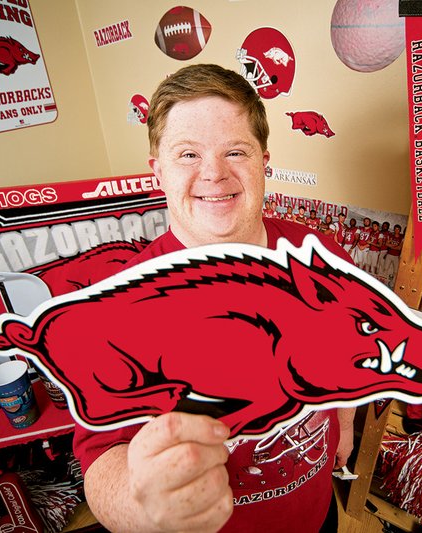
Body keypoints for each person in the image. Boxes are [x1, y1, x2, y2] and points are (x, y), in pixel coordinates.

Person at [73, 64, 356, 533]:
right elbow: (103, 458)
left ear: (264, 160)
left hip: (316, 513)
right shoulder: (115, 305)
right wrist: (142, 509)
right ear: (157, 170)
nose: (214, 173)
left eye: (235, 151)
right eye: (188, 154)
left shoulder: (322, 254)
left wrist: (343, 426)